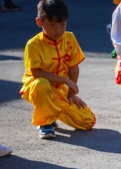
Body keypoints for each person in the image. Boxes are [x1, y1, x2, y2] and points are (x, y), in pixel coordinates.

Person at [20, 0, 96, 139]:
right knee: (41, 84)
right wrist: (65, 80)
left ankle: (50, 110)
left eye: (62, 24)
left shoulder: (69, 38)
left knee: (87, 121)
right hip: (37, 88)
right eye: (52, 25)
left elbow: (73, 67)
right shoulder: (33, 44)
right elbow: (37, 74)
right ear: (39, 22)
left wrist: (71, 94)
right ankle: (45, 124)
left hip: (60, 89)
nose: (58, 30)